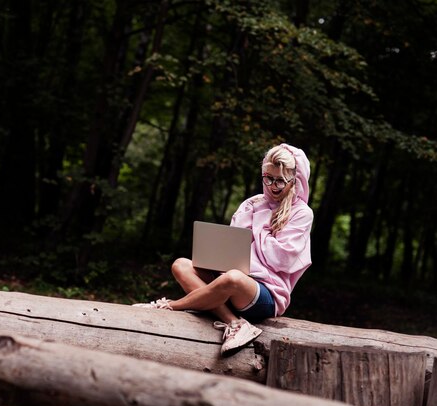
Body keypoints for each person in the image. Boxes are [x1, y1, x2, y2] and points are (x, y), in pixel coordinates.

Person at [134, 143, 313, 356]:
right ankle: (235, 323)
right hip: (229, 277)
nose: (273, 186)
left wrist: (259, 228)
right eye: (268, 178)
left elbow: (281, 259)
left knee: (233, 278)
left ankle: (170, 306)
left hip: (266, 293)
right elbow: (233, 244)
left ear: (295, 180)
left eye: (280, 181)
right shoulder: (252, 203)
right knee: (181, 265)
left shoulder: (301, 213)